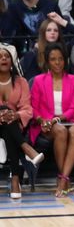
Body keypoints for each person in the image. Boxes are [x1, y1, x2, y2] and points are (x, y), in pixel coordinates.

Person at [30, 44, 74, 196]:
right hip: (46, 123)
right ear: (47, 62)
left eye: (60, 59)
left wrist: (58, 119)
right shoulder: (39, 80)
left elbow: (73, 108)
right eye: (53, 59)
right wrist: (42, 121)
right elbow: (33, 107)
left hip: (69, 119)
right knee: (60, 131)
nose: (58, 62)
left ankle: (63, 179)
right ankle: (65, 180)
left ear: (65, 60)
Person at [0, 43, 44, 199]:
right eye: (0, 56)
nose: (3, 59)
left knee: (9, 119)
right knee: (4, 111)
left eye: (7, 56)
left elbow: (27, 109)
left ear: (12, 61)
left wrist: (16, 115)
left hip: (13, 125)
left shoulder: (21, 82)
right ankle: (25, 150)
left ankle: (15, 178)